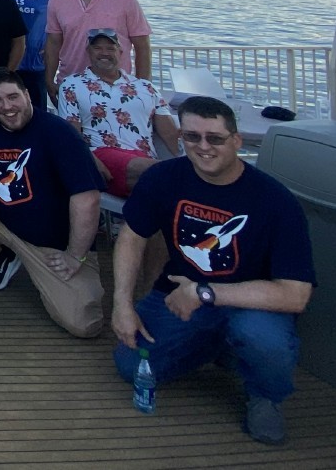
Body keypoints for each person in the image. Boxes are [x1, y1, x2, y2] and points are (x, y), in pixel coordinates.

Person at [111, 95, 316, 445]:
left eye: (215, 138)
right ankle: (217, 345)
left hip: (251, 304)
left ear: (236, 140)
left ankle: (265, 395)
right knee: (132, 366)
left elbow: (295, 295)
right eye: (192, 137)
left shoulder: (275, 201)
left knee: (261, 338)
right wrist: (122, 304)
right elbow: (132, 235)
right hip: (178, 295)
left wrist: (205, 293)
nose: (203, 146)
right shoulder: (163, 177)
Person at [0, 68, 105, 338]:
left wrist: (74, 255)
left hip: (51, 247)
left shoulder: (59, 133)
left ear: (27, 95)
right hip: (0, 223)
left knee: (84, 325)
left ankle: (33, 262)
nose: (6, 107)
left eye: (13, 97)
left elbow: (88, 199)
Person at [60, 29, 180, 197]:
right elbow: (70, 133)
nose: (104, 53)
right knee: (173, 177)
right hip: (103, 155)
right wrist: (90, 161)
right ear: (88, 52)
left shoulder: (145, 87)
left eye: (110, 48)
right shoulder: (72, 85)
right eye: (98, 48)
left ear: (121, 52)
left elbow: (170, 133)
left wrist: (187, 155)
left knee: (168, 185)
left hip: (145, 157)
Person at [44, 0, 153, 92]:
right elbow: (53, 45)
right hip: (70, 84)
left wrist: (143, 86)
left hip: (117, 86)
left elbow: (142, 46)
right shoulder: (56, 1)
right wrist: (49, 81)